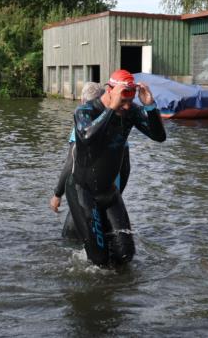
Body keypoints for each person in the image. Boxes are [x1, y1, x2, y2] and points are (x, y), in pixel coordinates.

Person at [65, 69, 166, 267]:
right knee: (100, 261)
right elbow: (86, 138)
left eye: (130, 101)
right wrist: (111, 108)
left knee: (125, 256)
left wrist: (150, 106)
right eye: (123, 101)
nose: (127, 107)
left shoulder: (130, 112)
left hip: (109, 192)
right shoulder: (85, 111)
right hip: (82, 191)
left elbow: (159, 136)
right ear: (110, 90)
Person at [49, 82, 131, 239]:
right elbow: (126, 167)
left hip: (86, 195)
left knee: (71, 240)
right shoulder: (117, 125)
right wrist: (116, 195)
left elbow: (71, 162)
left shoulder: (83, 128)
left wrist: (57, 194)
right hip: (111, 196)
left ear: (82, 101)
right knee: (111, 244)